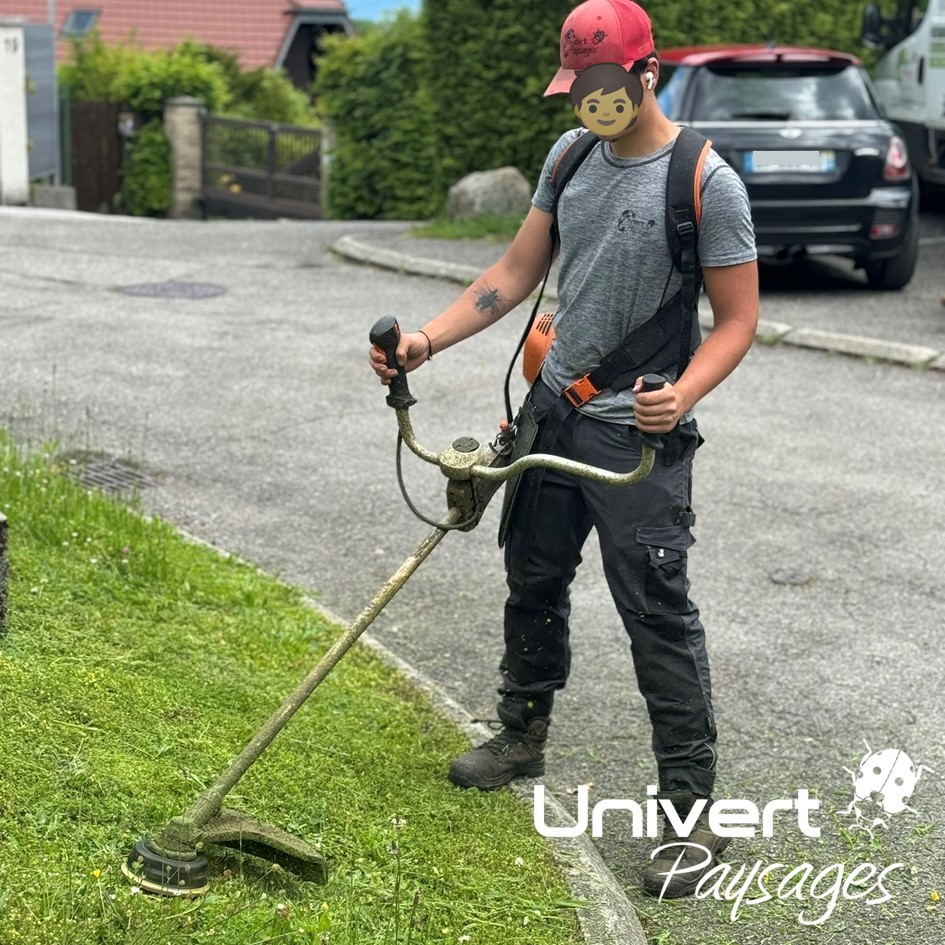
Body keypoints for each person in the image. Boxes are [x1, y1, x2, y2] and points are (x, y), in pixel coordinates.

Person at [370, 0, 758, 898]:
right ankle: (521, 731)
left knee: (656, 612)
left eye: (603, 87)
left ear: (646, 74)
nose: (589, 104)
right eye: (576, 89)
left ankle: (690, 815)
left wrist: (682, 396)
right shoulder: (569, 155)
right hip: (550, 415)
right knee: (532, 578)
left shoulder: (705, 182)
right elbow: (512, 273)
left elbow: (738, 323)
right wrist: (426, 340)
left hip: (637, 438)